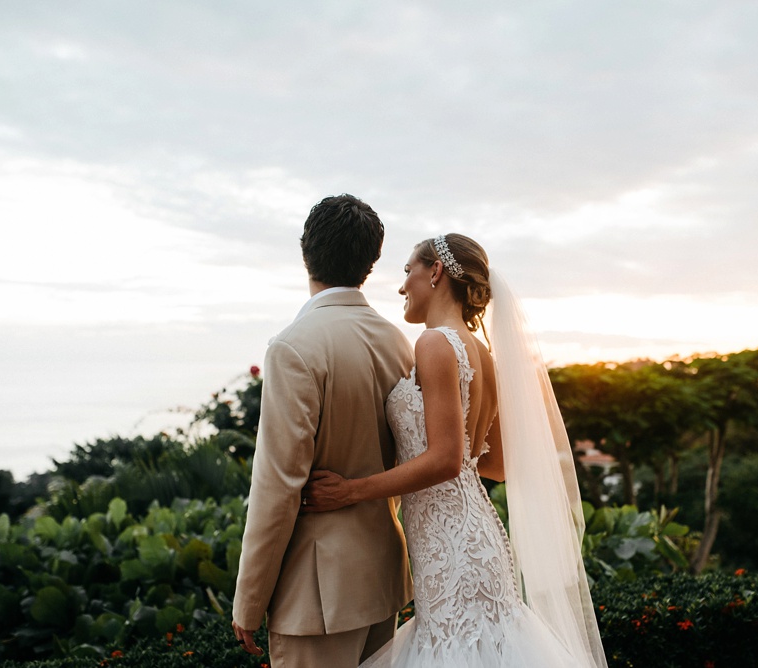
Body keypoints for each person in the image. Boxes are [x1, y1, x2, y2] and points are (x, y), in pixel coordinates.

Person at [302, 234, 608, 667]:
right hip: (475, 536)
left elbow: (445, 460)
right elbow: (496, 465)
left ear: (436, 271)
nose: (403, 284)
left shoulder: (434, 344)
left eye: (408, 270)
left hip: (454, 551)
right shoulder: (483, 354)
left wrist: (351, 491)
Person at [231, 194, 415, 668]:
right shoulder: (396, 341)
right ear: (370, 263)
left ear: (305, 250)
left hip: (316, 595)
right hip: (381, 577)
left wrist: (249, 601)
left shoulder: (293, 347)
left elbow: (278, 485)